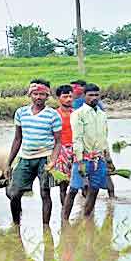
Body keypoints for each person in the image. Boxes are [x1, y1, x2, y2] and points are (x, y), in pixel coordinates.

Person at [6, 82, 64, 227]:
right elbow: (18, 139)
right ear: (30, 95)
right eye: (35, 94)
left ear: (47, 96)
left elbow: (58, 142)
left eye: (42, 94)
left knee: (45, 193)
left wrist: (53, 161)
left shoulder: (53, 115)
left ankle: (46, 227)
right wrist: (8, 163)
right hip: (25, 158)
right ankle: (16, 224)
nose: (38, 97)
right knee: (14, 193)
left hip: (45, 158)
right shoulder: (21, 113)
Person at [70, 83, 111, 220]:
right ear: (84, 96)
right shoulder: (78, 114)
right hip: (83, 158)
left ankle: (87, 220)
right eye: (90, 95)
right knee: (74, 189)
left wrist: (108, 158)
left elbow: (104, 138)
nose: (94, 98)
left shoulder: (102, 115)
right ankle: (65, 221)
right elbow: (77, 139)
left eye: (96, 95)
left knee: (94, 190)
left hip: (98, 158)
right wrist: (80, 161)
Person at [52, 84, 77, 221]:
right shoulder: (55, 115)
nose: (68, 99)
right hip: (61, 150)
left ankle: (84, 213)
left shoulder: (77, 113)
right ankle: (65, 213)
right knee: (63, 184)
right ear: (58, 98)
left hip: (77, 150)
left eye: (70, 96)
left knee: (81, 183)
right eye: (65, 96)